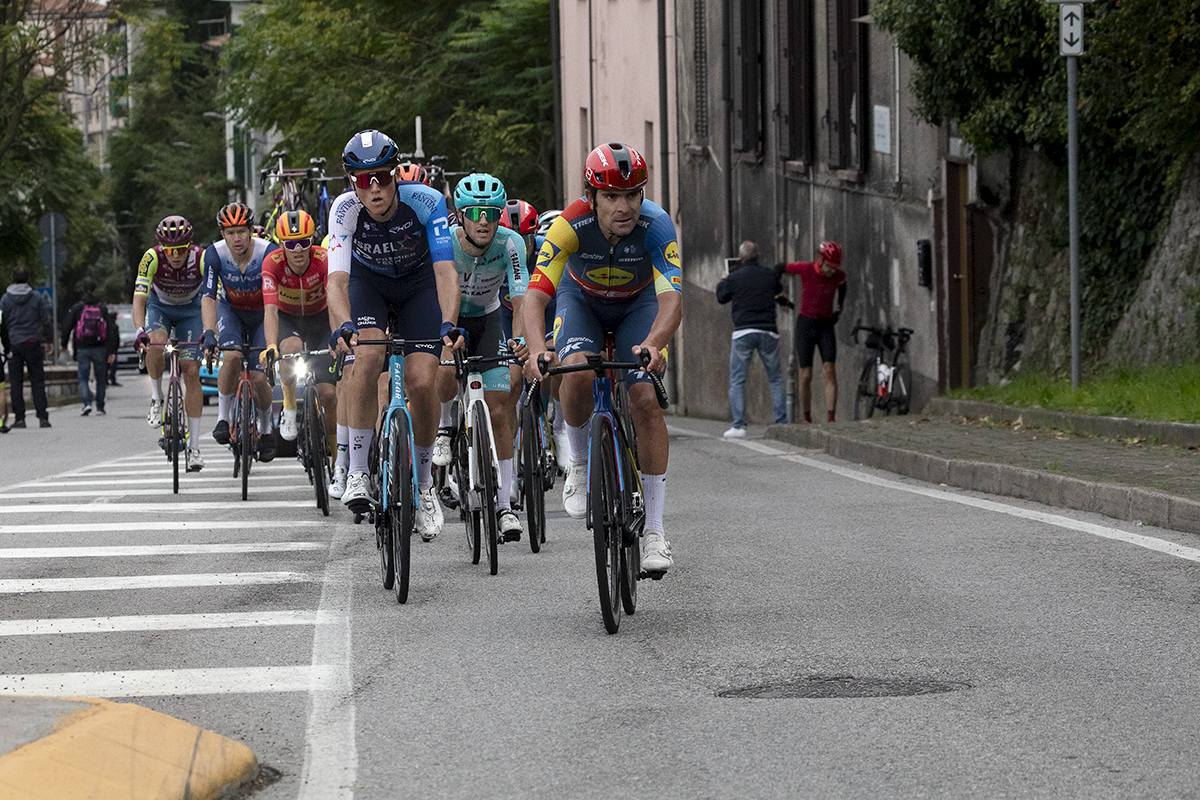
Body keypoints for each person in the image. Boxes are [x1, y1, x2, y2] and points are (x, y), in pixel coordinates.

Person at [521, 142, 682, 574]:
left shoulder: (657, 225)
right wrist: (536, 349)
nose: (623, 207)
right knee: (575, 372)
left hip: (638, 307)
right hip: (582, 303)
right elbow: (535, 298)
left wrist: (655, 343)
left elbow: (671, 300)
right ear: (591, 196)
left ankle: (655, 532)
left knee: (644, 398)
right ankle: (578, 464)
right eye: (611, 196)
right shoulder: (569, 225)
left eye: (632, 194)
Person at [326, 129, 462, 540]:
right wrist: (344, 324)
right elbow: (336, 282)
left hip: (419, 286)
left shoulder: (428, 202)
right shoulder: (344, 210)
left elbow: (445, 273)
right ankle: (358, 473)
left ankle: (424, 485)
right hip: (369, 285)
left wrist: (448, 323)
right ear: (352, 182)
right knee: (367, 358)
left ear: (395, 176)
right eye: (362, 180)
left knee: (422, 382)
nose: (374, 188)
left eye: (382, 177)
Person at [431, 174, 529, 542]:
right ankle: (445, 427)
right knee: (444, 371)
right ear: (460, 215)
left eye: (491, 213)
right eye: (474, 212)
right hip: (449, 317)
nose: (483, 220)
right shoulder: (445, 242)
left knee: (499, 407)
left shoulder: (511, 243)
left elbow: (520, 297)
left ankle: (504, 506)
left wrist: (520, 339)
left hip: (488, 320)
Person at [201, 202, 279, 462]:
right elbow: (209, 297)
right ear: (223, 234)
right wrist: (209, 332)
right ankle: (223, 418)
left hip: (262, 313)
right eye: (230, 232)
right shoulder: (214, 254)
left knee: (258, 376)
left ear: (251, 231)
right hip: (231, 311)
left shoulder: (268, 252)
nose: (237, 238)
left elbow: (274, 301)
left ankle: (266, 430)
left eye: (241, 232)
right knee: (232, 357)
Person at [134, 215, 210, 471]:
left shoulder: (201, 257)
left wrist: (210, 331)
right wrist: (139, 330)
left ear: (190, 245)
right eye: (170, 250)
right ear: (162, 248)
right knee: (154, 343)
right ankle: (157, 398)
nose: (175, 255)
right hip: (160, 307)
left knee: (191, 371)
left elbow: (213, 297)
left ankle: (195, 448)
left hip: (192, 310)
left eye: (180, 249)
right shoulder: (151, 258)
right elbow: (139, 299)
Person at [260, 210, 337, 459]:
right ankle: (290, 406)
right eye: (291, 244)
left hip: (320, 319)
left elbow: (335, 301)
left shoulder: (324, 259)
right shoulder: (272, 263)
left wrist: (337, 335)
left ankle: (337, 458)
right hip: (288, 318)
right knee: (289, 348)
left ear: (312, 240)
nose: (298, 250)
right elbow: (270, 310)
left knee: (328, 394)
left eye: (304, 242)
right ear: (281, 245)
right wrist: (271, 345)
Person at [716, 240, 788, 437]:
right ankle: (782, 423)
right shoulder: (770, 275)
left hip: (743, 332)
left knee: (737, 380)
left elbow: (721, 297)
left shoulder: (734, 277)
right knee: (775, 378)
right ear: (758, 256)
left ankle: (739, 426)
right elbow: (778, 289)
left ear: (741, 258)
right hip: (768, 331)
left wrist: (723, 279)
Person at [779, 240, 846, 423]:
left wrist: (839, 309)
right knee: (806, 374)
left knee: (829, 369)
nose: (832, 271)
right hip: (806, 324)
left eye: (835, 267)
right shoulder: (806, 269)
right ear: (821, 260)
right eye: (830, 266)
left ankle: (831, 417)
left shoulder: (838, 275)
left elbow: (843, 285)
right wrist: (778, 294)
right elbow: (779, 268)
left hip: (825, 325)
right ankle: (807, 417)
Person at [1, 264, 52, 428]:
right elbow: (46, 320)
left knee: (16, 382)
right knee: (37, 380)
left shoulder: (5, 299)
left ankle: (20, 418)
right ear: (28, 278)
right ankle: (43, 417)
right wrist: (49, 341)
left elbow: (2, 322)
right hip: (32, 342)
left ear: (13, 278)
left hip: (14, 343)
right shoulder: (36, 297)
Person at [61, 277, 114, 416]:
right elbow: (110, 328)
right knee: (100, 378)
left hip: (82, 347)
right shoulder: (101, 308)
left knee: (83, 377)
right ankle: (100, 407)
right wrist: (111, 350)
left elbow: (67, 325)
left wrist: (64, 344)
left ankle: (87, 403)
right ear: (95, 290)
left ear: (83, 290)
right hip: (100, 347)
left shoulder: (77, 307)